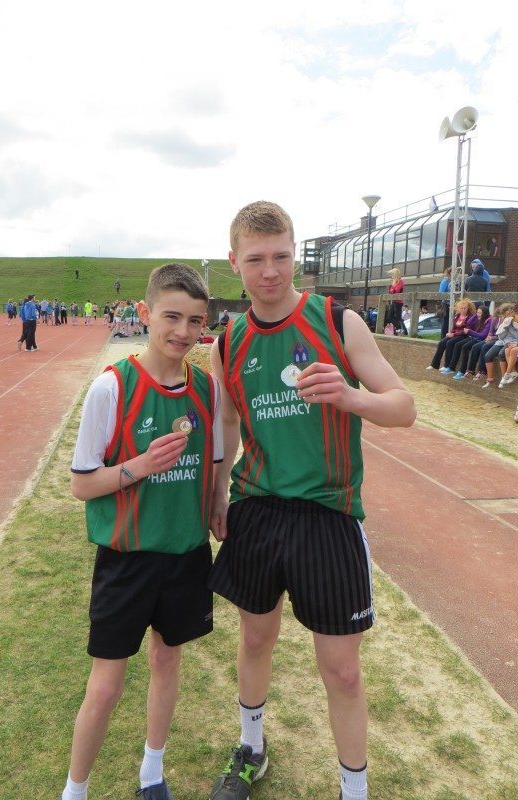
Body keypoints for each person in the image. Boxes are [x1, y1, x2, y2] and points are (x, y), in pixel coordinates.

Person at [207, 201, 416, 800]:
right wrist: (220, 490)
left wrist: (352, 399)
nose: (270, 271)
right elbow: (226, 421)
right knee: (253, 639)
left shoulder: (337, 320)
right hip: (257, 508)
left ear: (294, 253)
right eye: (256, 259)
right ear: (235, 262)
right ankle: (251, 748)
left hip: (328, 512)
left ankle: (355, 790)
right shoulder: (230, 339)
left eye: (281, 256)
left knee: (342, 669)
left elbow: (404, 407)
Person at [59, 263, 223, 800]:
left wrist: (218, 499)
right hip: (127, 558)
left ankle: (152, 772)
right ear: (145, 313)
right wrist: (140, 466)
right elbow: (84, 484)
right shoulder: (112, 388)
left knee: (166, 660)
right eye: (172, 316)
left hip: (186, 555)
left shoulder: (205, 388)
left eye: (195, 321)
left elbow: (217, 459)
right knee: (105, 687)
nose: (183, 331)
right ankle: (75, 790)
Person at [426, 299, 477, 373]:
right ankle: (434, 364)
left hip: (464, 335)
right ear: (458, 308)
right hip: (455, 334)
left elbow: (466, 330)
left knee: (450, 343)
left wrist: (453, 334)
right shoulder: (457, 315)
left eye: (465, 308)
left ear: (468, 308)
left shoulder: (470, 317)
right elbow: (454, 327)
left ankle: (447, 365)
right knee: (442, 342)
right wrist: (450, 333)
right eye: (461, 308)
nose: (463, 310)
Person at [386, 268, 404, 334]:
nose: (391, 276)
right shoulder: (394, 282)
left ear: (395, 274)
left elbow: (396, 290)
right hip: (394, 301)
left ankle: (400, 329)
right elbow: (391, 291)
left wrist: (392, 289)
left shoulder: (400, 281)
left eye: (392, 274)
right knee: (389, 317)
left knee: (397, 317)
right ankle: (399, 327)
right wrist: (392, 289)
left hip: (399, 302)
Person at [438, 267, 452, 338]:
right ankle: (443, 338)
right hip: (446, 304)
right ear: (450, 272)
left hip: (454, 304)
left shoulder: (456, 280)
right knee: (446, 321)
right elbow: (441, 293)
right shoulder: (445, 280)